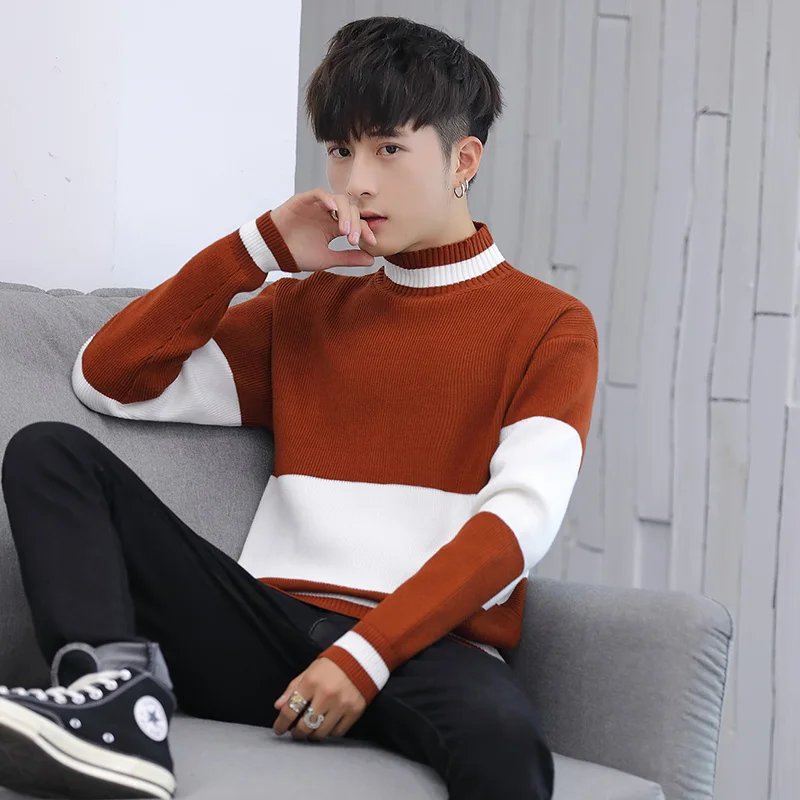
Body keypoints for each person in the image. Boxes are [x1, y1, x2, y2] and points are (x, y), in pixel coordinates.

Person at [0, 15, 597, 800]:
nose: (357, 181)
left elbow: (517, 526)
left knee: (504, 740)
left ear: (463, 161)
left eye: (388, 149)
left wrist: (365, 656)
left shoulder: (549, 325)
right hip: (263, 631)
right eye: (341, 150)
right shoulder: (305, 310)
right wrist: (259, 249)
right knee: (49, 451)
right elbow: (108, 379)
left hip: (420, 648)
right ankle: (118, 710)